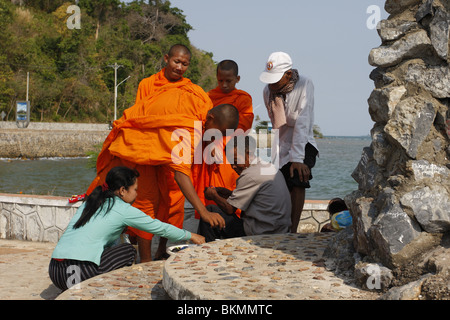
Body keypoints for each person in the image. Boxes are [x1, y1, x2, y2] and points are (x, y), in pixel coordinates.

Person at [86, 44, 239, 262]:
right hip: (144, 150)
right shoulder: (190, 126)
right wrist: (203, 212)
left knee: (172, 202)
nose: (179, 67)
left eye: (184, 64)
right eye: (217, 132)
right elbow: (178, 169)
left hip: (165, 154)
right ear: (166, 59)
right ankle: (146, 262)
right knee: (146, 203)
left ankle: (161, 251)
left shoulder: (197, 97)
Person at [49, 166, 205, 291]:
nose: (137, 194)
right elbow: (158, 227)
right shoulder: (122, 208)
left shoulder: (90, 202)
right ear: (123, 190)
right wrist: (190, 235)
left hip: (56, 272)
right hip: (79, 273)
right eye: (135, 189)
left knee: (113, 244)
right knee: (129, 251)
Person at [259, 52, 319, 233]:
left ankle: (292, 231)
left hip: (304, 142)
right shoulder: (268, 92)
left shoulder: (304, 84)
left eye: (276, 79)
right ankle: (281, 226)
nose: (272, 84)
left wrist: (298, 159)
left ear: (288, 74)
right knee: (280, 185)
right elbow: (277, 125)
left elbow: (303, 121)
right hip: (282, 143)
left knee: (298, 177)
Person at [197, 135, 292, 242]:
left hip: (260, 233)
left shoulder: (250, 174)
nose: (233, 167)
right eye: (231, 163)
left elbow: (229, 209)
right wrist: (228, 193)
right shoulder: (269, 167)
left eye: (236, 161)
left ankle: (205, 249)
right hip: (279, 230)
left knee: (210, 211)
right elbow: (253, 197)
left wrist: (213, 195)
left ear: (249, 153)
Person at [193, 60, 254, 219]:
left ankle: (233, 220)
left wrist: (219, 144)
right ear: (216, 77)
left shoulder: (243, 99)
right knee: (209, 190)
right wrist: (211, 143)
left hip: (231, 154)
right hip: (209, 152)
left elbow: (241, 128)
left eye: (229, 81)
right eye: (221, 80)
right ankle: (209, 219)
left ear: (237, 79)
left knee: (231, 189)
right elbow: (203, 123)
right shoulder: (208, 97)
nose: (224, 85)